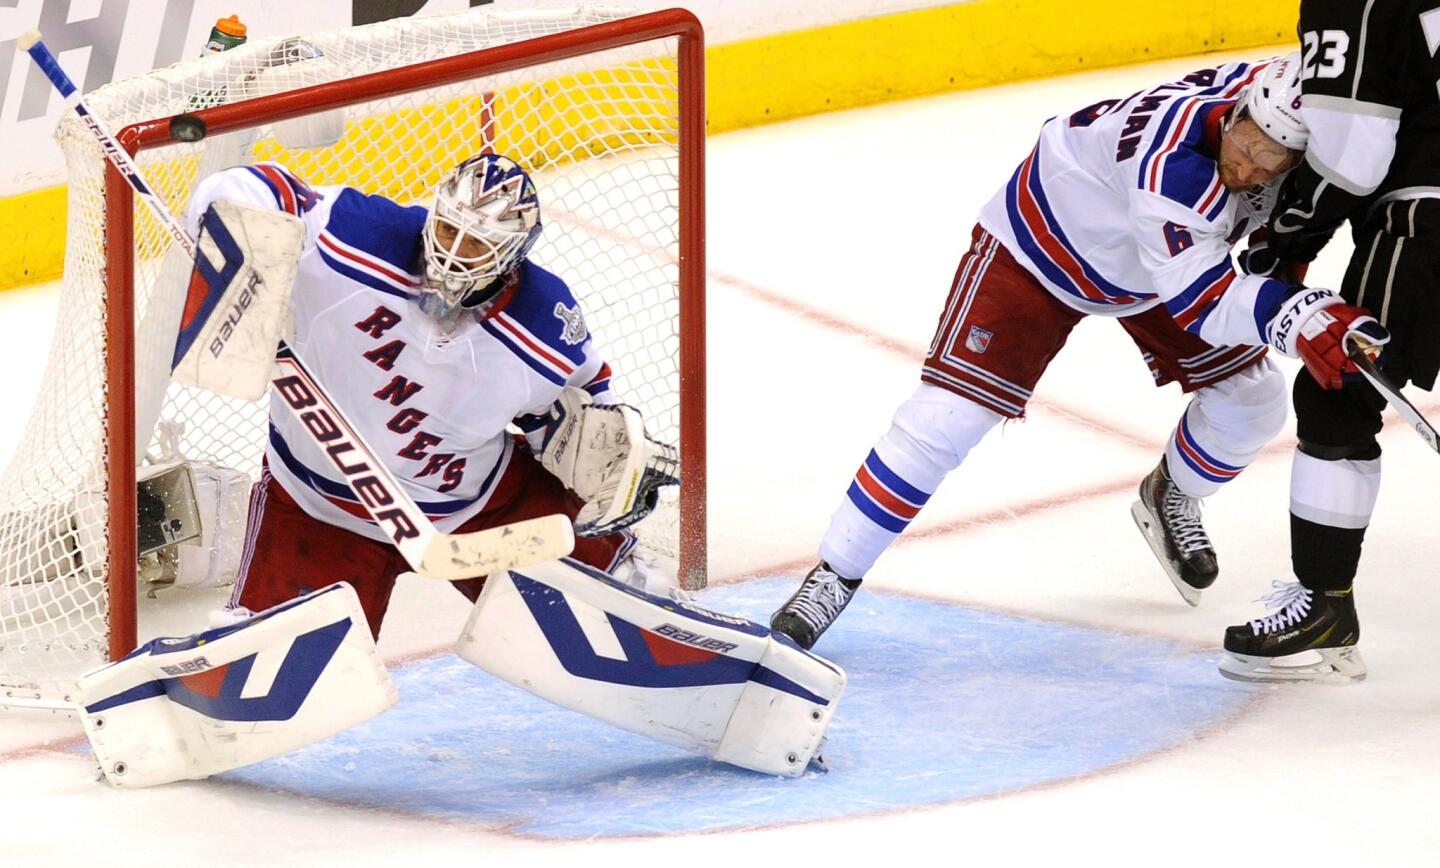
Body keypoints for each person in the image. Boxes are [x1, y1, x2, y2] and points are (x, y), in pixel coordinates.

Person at [770, 53, 1390, 650]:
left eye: (1271, 163)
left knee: (1252, 402)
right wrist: (1299, 316)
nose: (1251, 170)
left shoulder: (1270, 99)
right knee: (944, 420)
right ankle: (831, 577)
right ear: (1236, 115)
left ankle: (1169, 492)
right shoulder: (1173, 169)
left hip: (1159, 264)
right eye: (1248, 147)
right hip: (1040, 247)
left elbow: (1262, 233)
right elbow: (1201, 300)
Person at [186, 153, 662, 638]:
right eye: (450, 230)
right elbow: (254, 186)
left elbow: (582, 412)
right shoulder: (359, 235)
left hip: (479, 506)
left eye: (477, 243)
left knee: (620, 608)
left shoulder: (542, 322)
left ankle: (647, 617)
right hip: (319, 507)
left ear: (513, 254)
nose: (455, 252)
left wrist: (610, 467)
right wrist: (233, 239)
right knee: (274, 660)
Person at [1220, 1, 1440, 682]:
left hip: (1424, 216)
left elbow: (1353, 157)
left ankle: (1324, 604)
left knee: (1338, 385)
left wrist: (1283, 243)